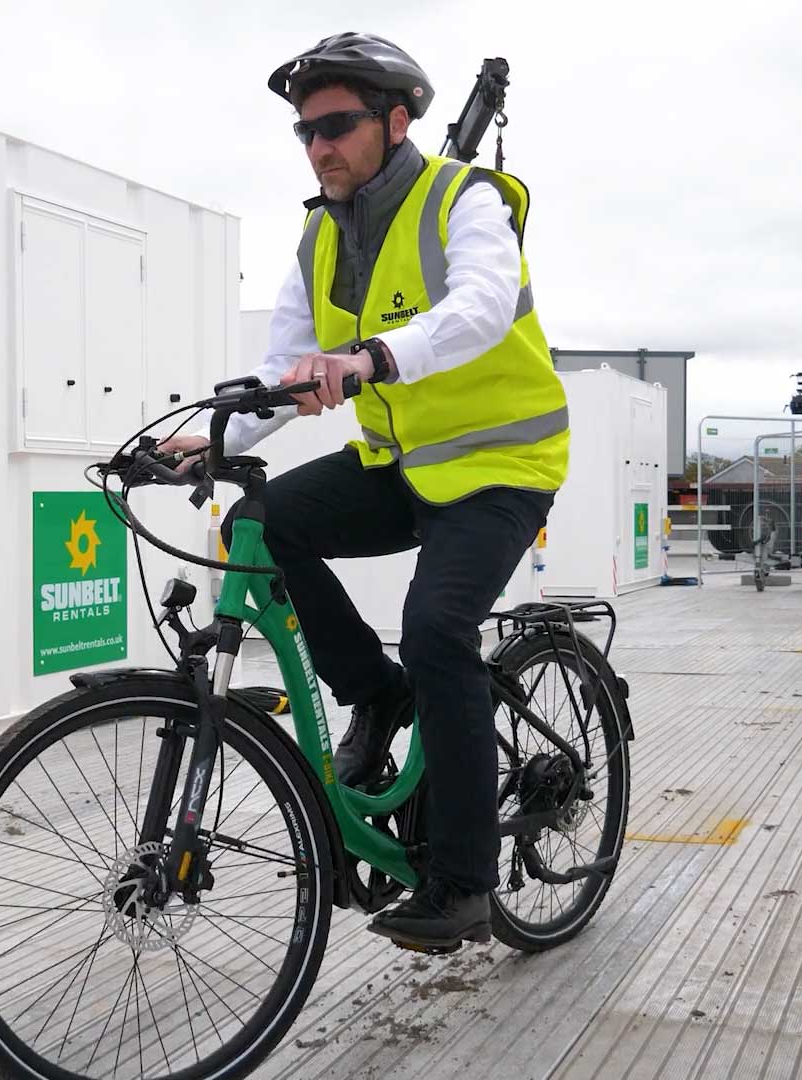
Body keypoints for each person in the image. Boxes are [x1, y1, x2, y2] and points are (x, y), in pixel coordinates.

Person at [157, 32, 569, 950]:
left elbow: (481, 307)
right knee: (264, 519)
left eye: (336, 126)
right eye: (306, 133)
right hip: (402, 467)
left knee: (436, 631)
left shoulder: (464, 199)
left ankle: (461, 881)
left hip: (502, 467)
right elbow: (286, 374)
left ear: (396, 120)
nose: (318, 148)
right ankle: (374, 695)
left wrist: (376, 355)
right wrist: (214, 439)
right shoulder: (319, 235)